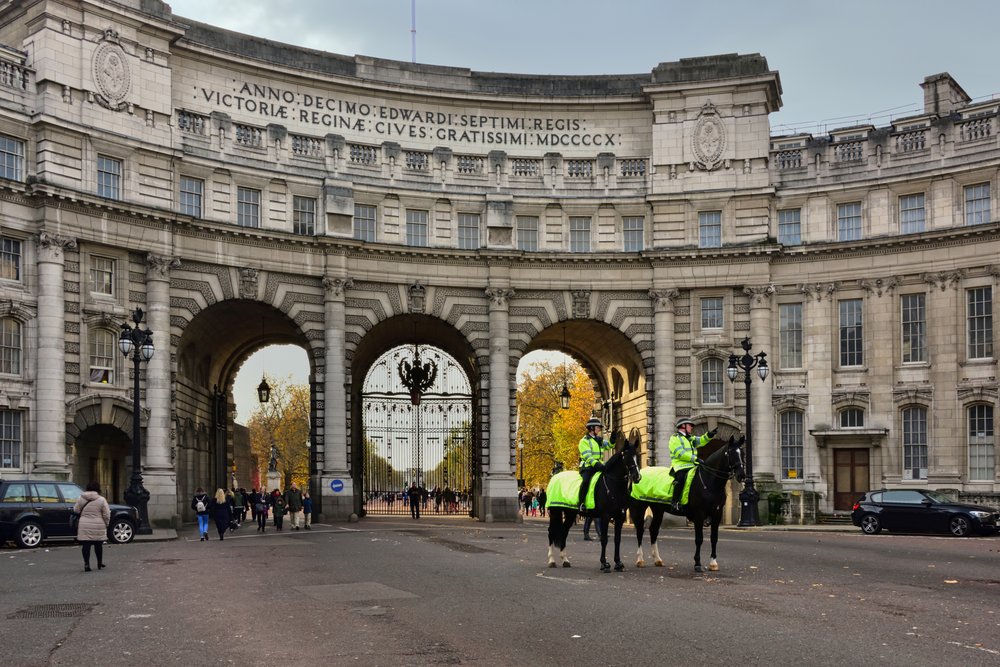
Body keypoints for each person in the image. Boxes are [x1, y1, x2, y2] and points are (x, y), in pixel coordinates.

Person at [669, 417, 717, 511]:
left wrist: (709, 435)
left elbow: (701, 441)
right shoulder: (675, 438)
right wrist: (696, 459)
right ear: (683, 426)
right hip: (680, 466)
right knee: (681, 479)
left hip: (693, 465)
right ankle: (674, 502)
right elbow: (680, 453)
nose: (692, 427)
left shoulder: (690, 438)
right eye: (690, 425)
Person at [577, 417, 615, 512]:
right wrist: (597, 464)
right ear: (592, 428)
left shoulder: (599, 440)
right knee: (586, 481)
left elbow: (609, 446)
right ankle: (581, 503)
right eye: (598, 427)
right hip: (588, 467)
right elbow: (588, 457)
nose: (599, 429)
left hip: (599, 465)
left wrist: (613, 440)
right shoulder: (584, 441)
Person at [73, 481, 110, 572]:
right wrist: (106, 523)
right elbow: (106, 514)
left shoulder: (81, 498)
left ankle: (86, 564)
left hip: (84, 523)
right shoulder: (101, 499)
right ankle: (99, 562)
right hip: (98, 524)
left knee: (86, 545)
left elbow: (76, 510)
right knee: (98, 545)